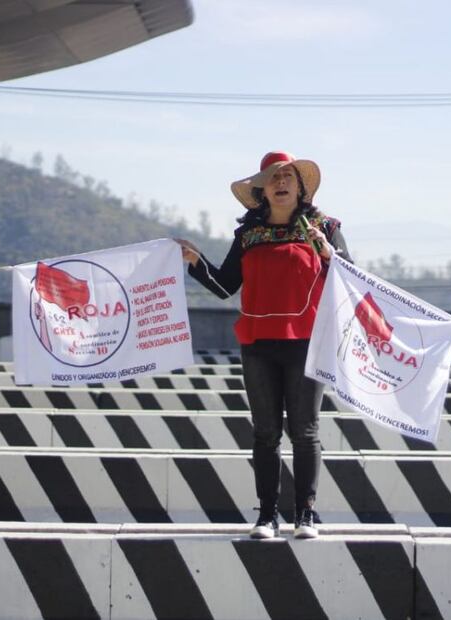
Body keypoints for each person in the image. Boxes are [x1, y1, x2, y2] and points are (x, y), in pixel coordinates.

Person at [178, 151, 351, 539]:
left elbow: (349, 277)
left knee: (305, 431)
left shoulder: (324, 228)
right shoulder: (248, 236)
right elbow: (225, 286)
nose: (281, 182)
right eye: (273, 178)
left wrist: (328, 252)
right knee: (265, 432)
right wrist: (195, 261)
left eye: (288, 176)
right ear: (261, 191)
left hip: (306, 342)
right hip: (258, 343)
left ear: (301, 187)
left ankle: (305, 514)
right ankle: (267, 516)